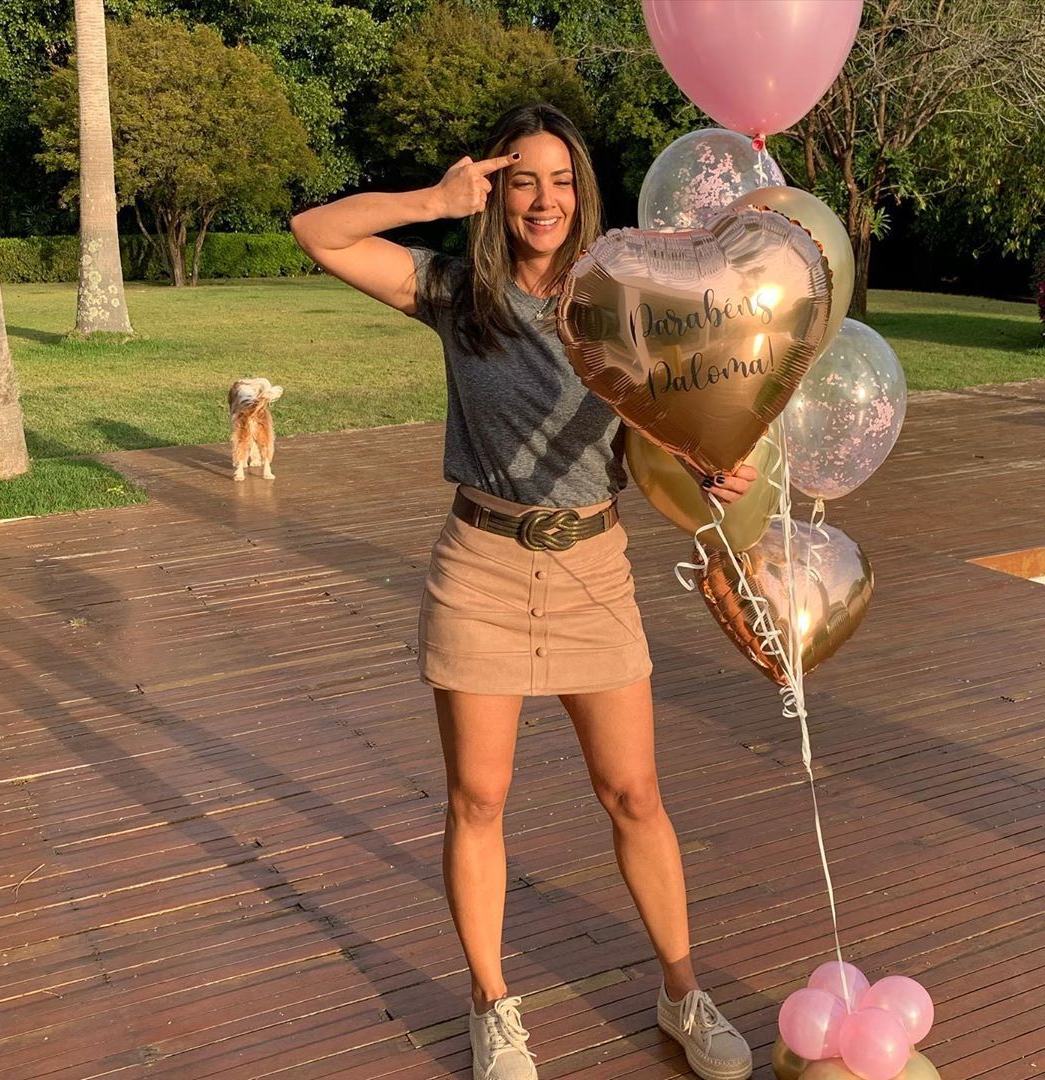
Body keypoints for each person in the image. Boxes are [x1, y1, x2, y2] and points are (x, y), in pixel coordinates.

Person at [291, 103, 758, 1080]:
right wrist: (433, 200)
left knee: (634, 794)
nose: (543, 200)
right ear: (496, 193)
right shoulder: (458, 293)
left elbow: (665, 421)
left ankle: (682, 992)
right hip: (483, 566)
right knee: (478, 798)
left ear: (582, 192)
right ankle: (492, 1007)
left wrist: (708, 462)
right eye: (521, 181)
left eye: (560, 180)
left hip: (593, 567)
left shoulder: (625, 302)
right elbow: (316, 232)